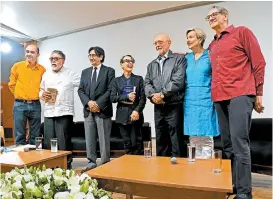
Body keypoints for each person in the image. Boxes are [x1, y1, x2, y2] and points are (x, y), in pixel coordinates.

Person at [206, 6, 266, 199]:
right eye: (209, 16)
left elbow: (259, 62)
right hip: (219, 97)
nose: (211, 17)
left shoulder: (242, 32)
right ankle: (234, 184)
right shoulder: (212, 45)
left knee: (240, 143)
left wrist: (259, 94)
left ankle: (244, 193)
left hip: (240, 94)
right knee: (228, 145)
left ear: (225, 16)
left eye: (215, 14)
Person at [144, 33, 186, 158]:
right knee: (161, 139)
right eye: (155, 43)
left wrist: (162, 94)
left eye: (160, 42)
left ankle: (179, 172)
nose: (157, 45)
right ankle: (162, 172)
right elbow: (147, 83)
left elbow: (178, 81)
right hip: (158, 107)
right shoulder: (151, 64)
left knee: (176, 140)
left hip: (174, 105)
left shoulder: (179, 59)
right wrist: (153, 96)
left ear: (169, 42)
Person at [39, 50, 80, 169]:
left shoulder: (71, 74)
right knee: (49, 141)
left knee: (63, 142)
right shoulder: (46, 74)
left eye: (56, 58)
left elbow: (84, 85)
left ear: (63, 60)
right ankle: (50, 167)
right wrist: (42, 94)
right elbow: (41, 89)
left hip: (64, 112)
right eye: (51, 59)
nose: (53, 61)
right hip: (49, 112)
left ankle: (66, 167)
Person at [78, 46, 115, 173]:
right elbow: (81, 90)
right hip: (88, 110)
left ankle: (105, 162)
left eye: (94, 55)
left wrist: (97, 104)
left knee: (104, 138)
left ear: (101, 57)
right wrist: (89, 103)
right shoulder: (85, 72)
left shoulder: (109, 71)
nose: (91, 57)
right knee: (89, 137)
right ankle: (91, 162)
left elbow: (110, 90)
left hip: (102, 110)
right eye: (89, 55)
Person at [184, 28, 219, 159]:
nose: (188, 40)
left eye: (191, 37)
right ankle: (194, 169)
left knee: (206, 136)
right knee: (193, 137)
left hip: (206, 99)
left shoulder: (210, 55)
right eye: (187, 37)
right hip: (190, 100)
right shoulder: (186, 58)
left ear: (199, 39)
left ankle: (206, 169)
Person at [8, 44, 46, 145]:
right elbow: (11, 84)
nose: (29, 54)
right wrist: (19, 95)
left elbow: (44, 86)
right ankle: (22, 159)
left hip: (36, 104)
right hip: (20, 104)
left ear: (38, 54)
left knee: (35, 135)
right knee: (20, 134)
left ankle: (34, 159)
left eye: (32, 52)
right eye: (27, 51)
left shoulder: (42, 70)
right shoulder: (17, 66)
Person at [110, 55, 146, 155]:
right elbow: (112, 98)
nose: (130, 63)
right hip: (122, 116)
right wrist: (126, 97)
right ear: (121, 64)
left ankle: (138, 167)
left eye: (132, 61)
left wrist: (137, 111)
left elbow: (143, 98)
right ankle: (129, 167)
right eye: (127, 61)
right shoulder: (116, 81)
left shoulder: (139, 79)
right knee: (127, 144)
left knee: (137, 143)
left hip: (135, 115)